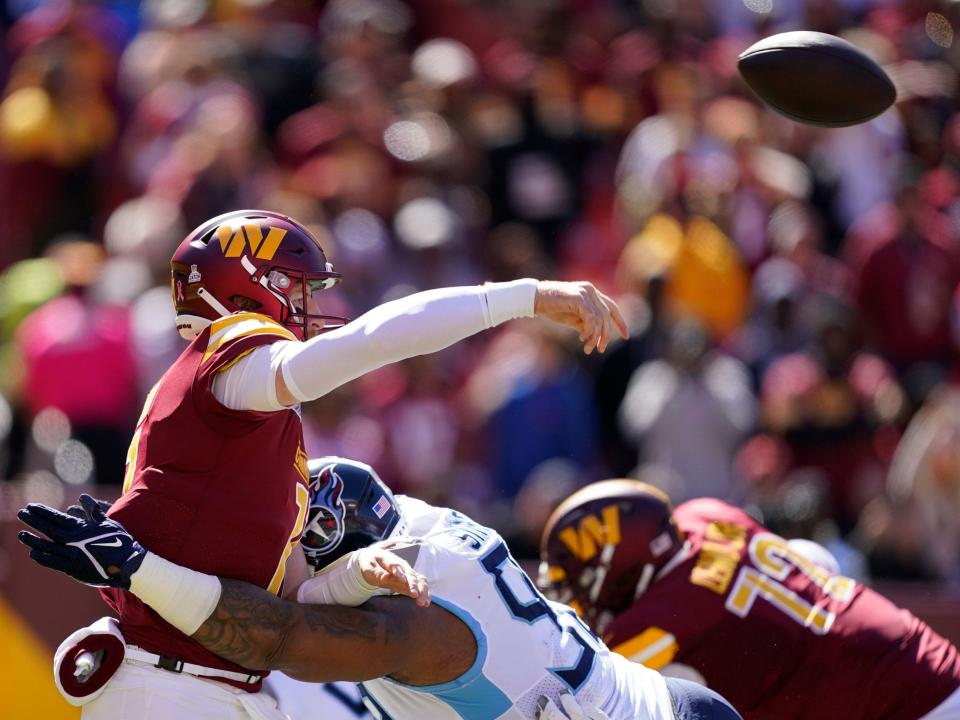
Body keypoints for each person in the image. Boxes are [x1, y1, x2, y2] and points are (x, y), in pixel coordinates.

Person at [74, 208, 628, 717]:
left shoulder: (242, 425)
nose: (308, 308)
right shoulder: (229, 361)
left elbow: (285, 606)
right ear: (250, 291)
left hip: (221, 683)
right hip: (172, 685)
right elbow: (373, 341)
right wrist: (527, 296)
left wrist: (355, 576)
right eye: (295, 288)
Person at [18, 456, 742, 720]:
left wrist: (139, 569)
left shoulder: (411, 624)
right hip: (664, 701)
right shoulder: (418, 523)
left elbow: (280, 634)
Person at [538, 480, 960, 720]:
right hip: (924, 660)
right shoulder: (704, 514)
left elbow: (573, 683)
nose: (577, 601)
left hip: (906, 706)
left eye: (578, 583)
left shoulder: (665, 619)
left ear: (619, 567)